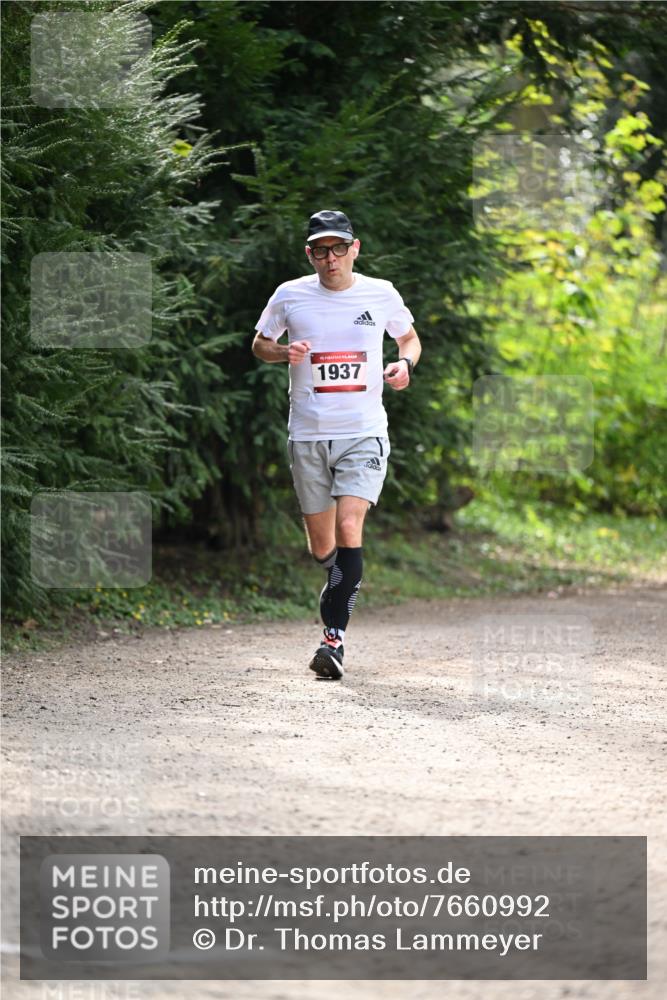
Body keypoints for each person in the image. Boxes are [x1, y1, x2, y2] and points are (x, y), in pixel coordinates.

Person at [252, 209, 421, 680]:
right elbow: (259, 344)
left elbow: (408, 339)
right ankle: (341, 579)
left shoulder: (380, 293)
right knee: (322, 545)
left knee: (350, 524)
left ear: (355, 248)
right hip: (307, 434)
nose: (331, 259)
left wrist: (404, 365)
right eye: (321, 250)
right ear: (310, 254)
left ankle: (333, 642)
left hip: (364, 430)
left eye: (339, 248)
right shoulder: (290, 295)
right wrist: (283, 352)